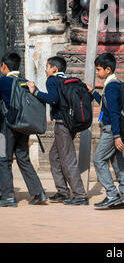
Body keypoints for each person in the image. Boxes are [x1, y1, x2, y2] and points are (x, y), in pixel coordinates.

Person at [27, 56, 88, 206]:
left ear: (54, 68)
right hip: (70, 124)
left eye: (47, 67)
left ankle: (80, 195)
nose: (45, 70)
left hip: (62, 125)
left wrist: (35, 92)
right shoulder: (69, 79)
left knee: (67, 159)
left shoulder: (52, 80)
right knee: (54, 156)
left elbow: (53, 99)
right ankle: (62, 192)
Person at [87, 53, 124, 210]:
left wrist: (115, 136)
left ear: (108, 69)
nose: (97, 72)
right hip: (116, 130)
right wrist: (93, 92)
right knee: (120, 164)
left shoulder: (112, 86)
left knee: (99, 160)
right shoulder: (114, 84)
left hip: (111, 131)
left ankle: (112, 194)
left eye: (99, 69)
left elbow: (113, 113)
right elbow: (106, 106)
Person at [0, 52, 47, 207]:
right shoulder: (26, 82)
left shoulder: (3, 82)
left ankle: (7, 196)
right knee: (23, 158)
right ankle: (38, 192)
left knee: (4, 160)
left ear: (4, 66)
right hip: (23, 126)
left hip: (6, 128)